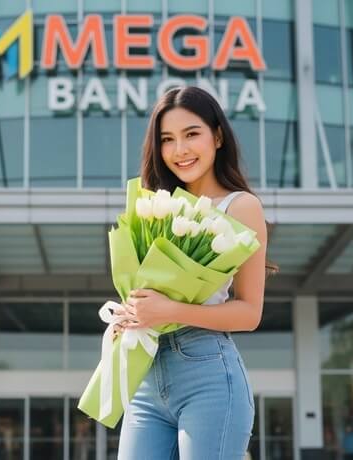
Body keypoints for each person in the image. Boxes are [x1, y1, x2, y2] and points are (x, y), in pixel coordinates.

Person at [111, 85, 273, 459]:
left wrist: (171, 311)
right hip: (148, 377)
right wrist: (133, 313)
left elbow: (249, 312)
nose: (179, 150)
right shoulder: (155, 207)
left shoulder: (241, 206)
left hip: (208, 376)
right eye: (167, 139)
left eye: (191, 134)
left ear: (217, 135)